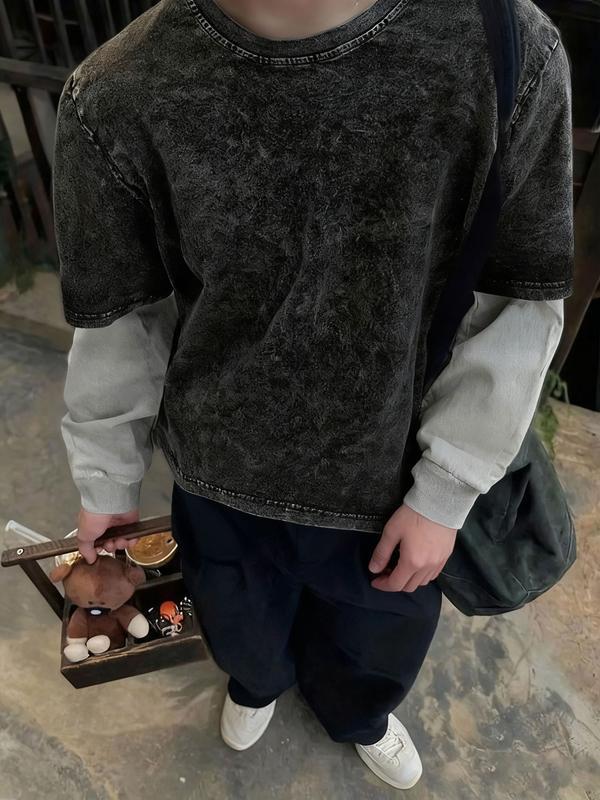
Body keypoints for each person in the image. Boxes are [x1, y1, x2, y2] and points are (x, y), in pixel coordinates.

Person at [52, 0, 573, 790]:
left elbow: (518, 299)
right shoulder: (118, 91)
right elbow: (124, 312)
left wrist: (448, 487)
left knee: (376, 638)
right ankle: (256, 682)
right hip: (219, 468)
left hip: (388, 476)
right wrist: (105, 478)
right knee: (237, 616)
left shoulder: (507, 48)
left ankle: (358, 715)